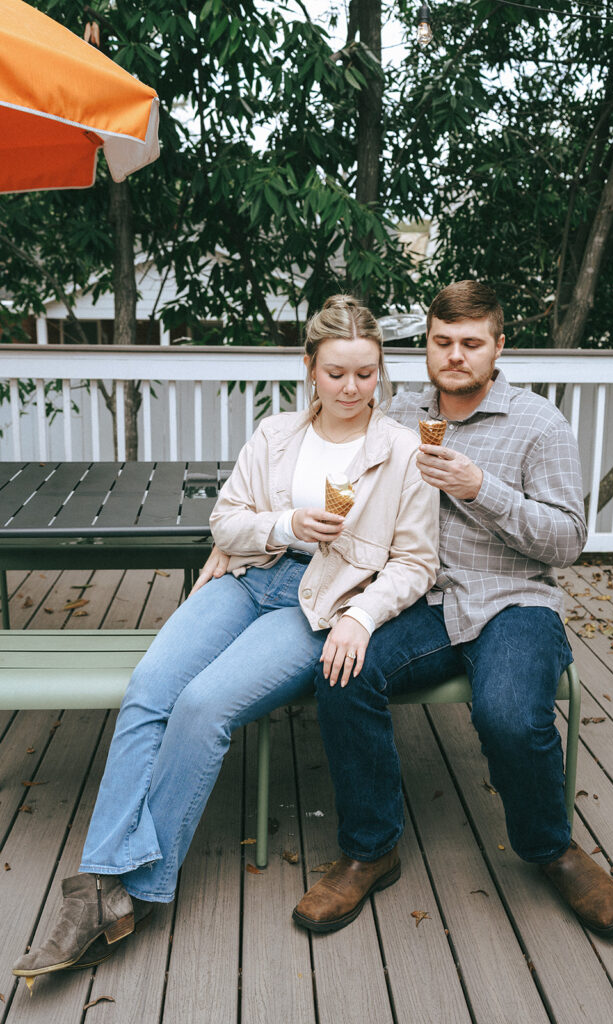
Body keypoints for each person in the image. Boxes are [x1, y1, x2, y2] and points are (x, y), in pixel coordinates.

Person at [13, 295, 439, 980]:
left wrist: (362, 615)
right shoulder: (274, 435)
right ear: (309, 367)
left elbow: (416, 562)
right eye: (336, 373)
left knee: (204, 706)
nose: (353, 389)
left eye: (366, 374)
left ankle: (137, 891)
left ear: (380, 372)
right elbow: (227, 523)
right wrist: (286, 526)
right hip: (247, 579)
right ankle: (101, 884)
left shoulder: (402, 454)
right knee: (150, 687)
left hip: (316, 604)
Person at [292, 280, 613, 937]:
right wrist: (253, 535)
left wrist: (484, 490)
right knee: (343, 674)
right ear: (425, 344)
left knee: (507, 713)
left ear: (498, 346)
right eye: (441, 342)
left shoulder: (538, 424)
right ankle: (371, 849)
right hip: (421, 596)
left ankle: (550, 849)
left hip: (512, 600)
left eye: (470, 344)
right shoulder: (395, 418)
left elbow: (566, 542)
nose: (454, 355)